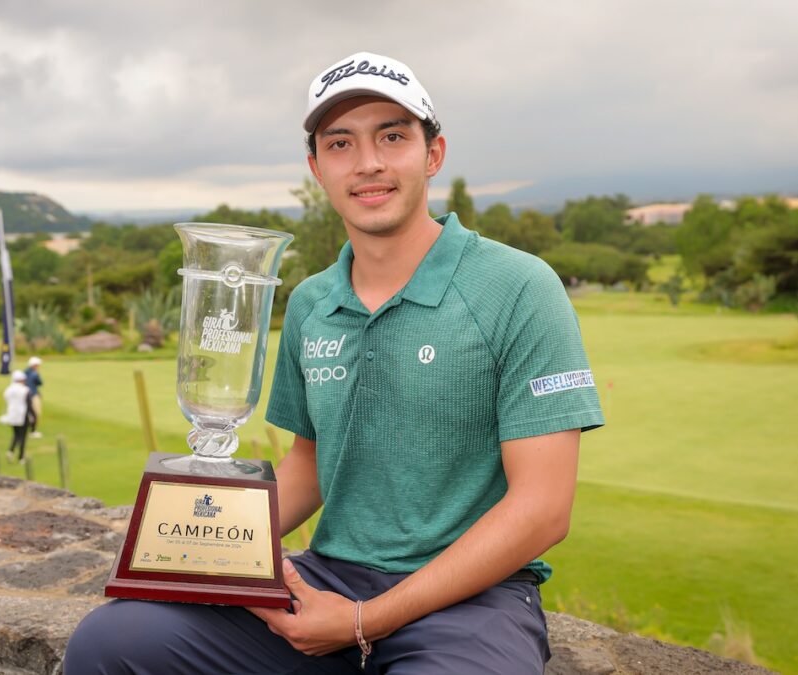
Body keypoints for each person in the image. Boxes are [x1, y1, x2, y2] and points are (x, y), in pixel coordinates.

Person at [64, 51, 604, 674]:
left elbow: (543, 508)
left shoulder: (517, 286)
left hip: (471, 601)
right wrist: (193, 542)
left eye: (392, 136)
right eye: (341, 143)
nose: (368, 162)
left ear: (433, 154)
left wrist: (362, 623)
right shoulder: (313, 302)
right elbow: (313, 461)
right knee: (112, 641)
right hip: (329, 577)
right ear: (317, 167)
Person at [0, 370, 32, 462]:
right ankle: (21, 457)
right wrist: (32, 416)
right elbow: (29, 404)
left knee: (16, 434)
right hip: (23, 415)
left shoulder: (8, 390)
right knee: (23, 436)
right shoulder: (25, 390)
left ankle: (11, 451)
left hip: (12, 415)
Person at [24, 356, 44, 439]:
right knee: (35, 414)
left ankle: (29, 430)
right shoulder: (34, 373)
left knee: (28, 413)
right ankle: (33, 431)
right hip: (33, 395)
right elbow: (40, 382)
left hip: (25, 395)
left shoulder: (24, 372)